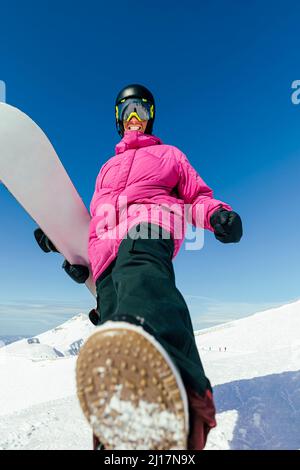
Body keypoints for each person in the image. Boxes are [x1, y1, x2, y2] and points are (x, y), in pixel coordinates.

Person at [35, 84, 242, 450]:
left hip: (152, 223)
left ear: (150, 117)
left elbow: (196, 198)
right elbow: (95, 221)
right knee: (114, 321)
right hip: (103, 254)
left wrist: (217, 215)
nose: (135, 116)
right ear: (118, 118)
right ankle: (119, 436)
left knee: (142, 275)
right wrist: (66, 245)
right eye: (128, 109)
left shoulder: (169, 155)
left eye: (142, 109)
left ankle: (183, 392)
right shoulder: (106, 169)